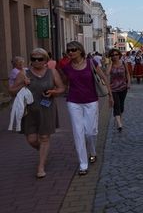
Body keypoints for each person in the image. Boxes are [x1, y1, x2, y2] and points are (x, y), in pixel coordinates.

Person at [9, 48, 65, 178]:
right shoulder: (24, 73)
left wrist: (53, 92)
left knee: (45, 137)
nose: (36, 61)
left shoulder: (52, 72)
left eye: (40, 59)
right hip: (29, 111)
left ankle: (41, 167)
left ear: (45, 60)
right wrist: (23, 84)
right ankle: (43, 152)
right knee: (32, 139)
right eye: (33, 59)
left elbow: (61, 88)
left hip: (47, 108)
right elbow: (11, 91)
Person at [59, 41, 113, 175]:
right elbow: (65, 83)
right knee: (78, 132)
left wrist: (110, 95)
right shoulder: (66, 67)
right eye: (69, 50)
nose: (70, 52)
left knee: (90, 131)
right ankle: (83, 164)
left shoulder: (91, 63)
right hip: (73, 102)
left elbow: (103, 78)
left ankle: (93, 150)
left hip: (91, 101)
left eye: (73, 50)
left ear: (80, 51)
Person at [106, 48, 131, 132]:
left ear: (119, 55)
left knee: (121, 106)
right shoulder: (110, 65)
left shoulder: (124, 63)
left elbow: (127, 73)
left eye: (116, 54)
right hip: (113, 89)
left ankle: (119, 119)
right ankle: (119, 124)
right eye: (112, 55)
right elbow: (107, 73)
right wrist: (110, 62)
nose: (114, 56)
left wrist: (129, 83)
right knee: (116, 105)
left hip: (123, 87)